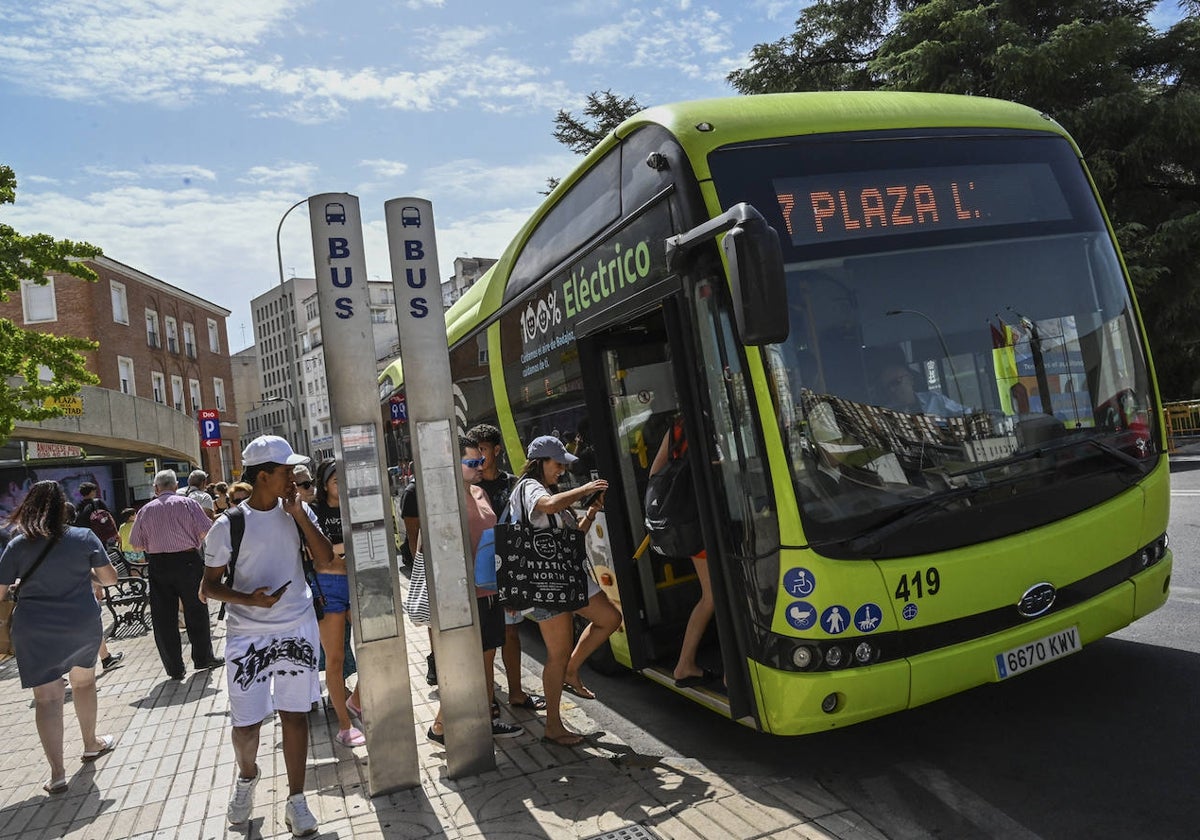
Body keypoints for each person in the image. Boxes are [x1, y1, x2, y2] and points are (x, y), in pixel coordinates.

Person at [201, 434, 332, 836]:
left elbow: (326, 560)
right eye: (286, 470)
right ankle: (247, 777)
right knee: (247, 726)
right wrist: (249, 600)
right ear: (262, 476)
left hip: (296, 626)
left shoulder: (297, 511)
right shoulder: (228, 526)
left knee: (296, 716)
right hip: (247, 636)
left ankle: (296, 800)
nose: (295, 477)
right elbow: (208, 588)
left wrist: (299, 515)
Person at [0, 480, 119, 795]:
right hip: (80, 623)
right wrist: (85, 572)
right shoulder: (83, 537)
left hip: (34, 630)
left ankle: (57, 774)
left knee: (48, 699)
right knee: (84, 683)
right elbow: (110, 578)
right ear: (61, 507)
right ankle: (91, 743)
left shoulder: (17, 545)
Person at [508, 435, 609, 746]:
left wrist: (591, 512)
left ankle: (571, 671)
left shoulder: (548, 490)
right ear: (540, 463)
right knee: (557, 653)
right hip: (543, 583)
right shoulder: (530, 488)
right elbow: (547, 505)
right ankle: (553, 725)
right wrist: (587, 488)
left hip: (562, 578)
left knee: (609, 618)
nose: (563, 470)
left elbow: (572, 536)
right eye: (558, 464)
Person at [427, 437, 524, 745]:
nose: (480, 465)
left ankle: (470, 719)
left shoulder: (480, 491)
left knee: (485, 657)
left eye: (479, 459)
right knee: (468, 662)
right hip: (462, 596)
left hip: (489, 590)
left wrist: (505, 588)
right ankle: (453, 723)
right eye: (471, 463)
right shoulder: (443, 499)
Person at [467, 422, 546, 714]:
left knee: (511, 635)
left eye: (484, 450)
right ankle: (488, 700)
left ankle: (516, 692)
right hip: (483, 576)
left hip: (509, 569)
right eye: (475, 452)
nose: (479, 457)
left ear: (497, 450)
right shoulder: (470, 487)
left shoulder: (513, 483)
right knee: (487, 643)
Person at [130, 470, 223, 680]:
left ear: (156, 488)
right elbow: (206, 531)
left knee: (163, 617)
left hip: (158, 563)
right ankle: (202, 658)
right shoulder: (188, 504)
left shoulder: (145, 510)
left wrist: (154, 542)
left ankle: (174, 668)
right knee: (196, 610)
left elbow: (135, 544)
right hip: (188, 561)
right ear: (175, 486)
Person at [650, 418, 718, 687]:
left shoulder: (677, 428)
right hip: (709, 523)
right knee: (717, 597)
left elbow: (656, 474)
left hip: (690, 524)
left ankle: (685, 664)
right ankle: (691, 665)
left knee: (712, 596)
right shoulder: (715, 421)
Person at [309, 458, 364, 747]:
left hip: (356, 582)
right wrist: (342, 548)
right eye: (334, 481)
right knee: (334, 659)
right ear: (324, 483)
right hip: (328, 587)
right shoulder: (314, 510)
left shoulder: (354, 506)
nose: (340, 486)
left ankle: (355, 700)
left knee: (374, 645)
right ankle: (345, 727)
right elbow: (318, 554)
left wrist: (337, 550)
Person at [876, 362, 966, 416]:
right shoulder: (885, 414)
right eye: (887, 387)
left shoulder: (934, 400)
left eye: (896, 382)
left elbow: (967, 415)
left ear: (910, 379)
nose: (892, 389)